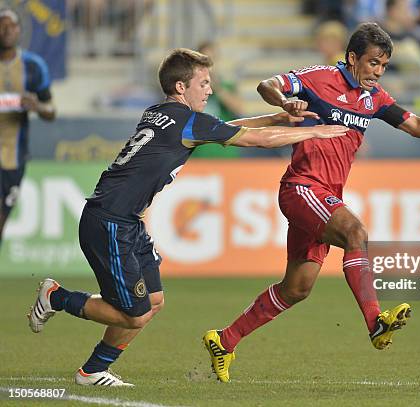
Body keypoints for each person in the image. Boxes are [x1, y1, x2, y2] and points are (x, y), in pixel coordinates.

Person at [27, 48, 348, 387]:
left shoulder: (163, 113)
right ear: (182, 87)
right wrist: (314, 132)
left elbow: (224, 129)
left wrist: (273, 118)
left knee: (152, 302)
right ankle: (57, 296)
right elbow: (257, 141)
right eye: (204, 82)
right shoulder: (187, 120)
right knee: (133, 315)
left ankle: (92, 371)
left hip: (126, 221)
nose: (210, 89)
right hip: (110, 222)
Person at [204, 22, 420, 383]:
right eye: (373, 63)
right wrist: (285, 101)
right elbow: (268, 85)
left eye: (384, 65)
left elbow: (416, 125)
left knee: (297, 288)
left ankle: (224, 340)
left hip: (325, 196)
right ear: (353, 58)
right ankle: (375, 322)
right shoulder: (320, 77)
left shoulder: (375, 99)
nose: (378, 71)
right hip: (302, 187)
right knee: (356, 232)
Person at [0, 8, 56, 248]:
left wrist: (36, 106)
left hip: (13, 157)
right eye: (2, 26)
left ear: (19, 30)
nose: (6, 31)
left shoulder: (33, 66)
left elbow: (51, 110)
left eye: (11, 26)